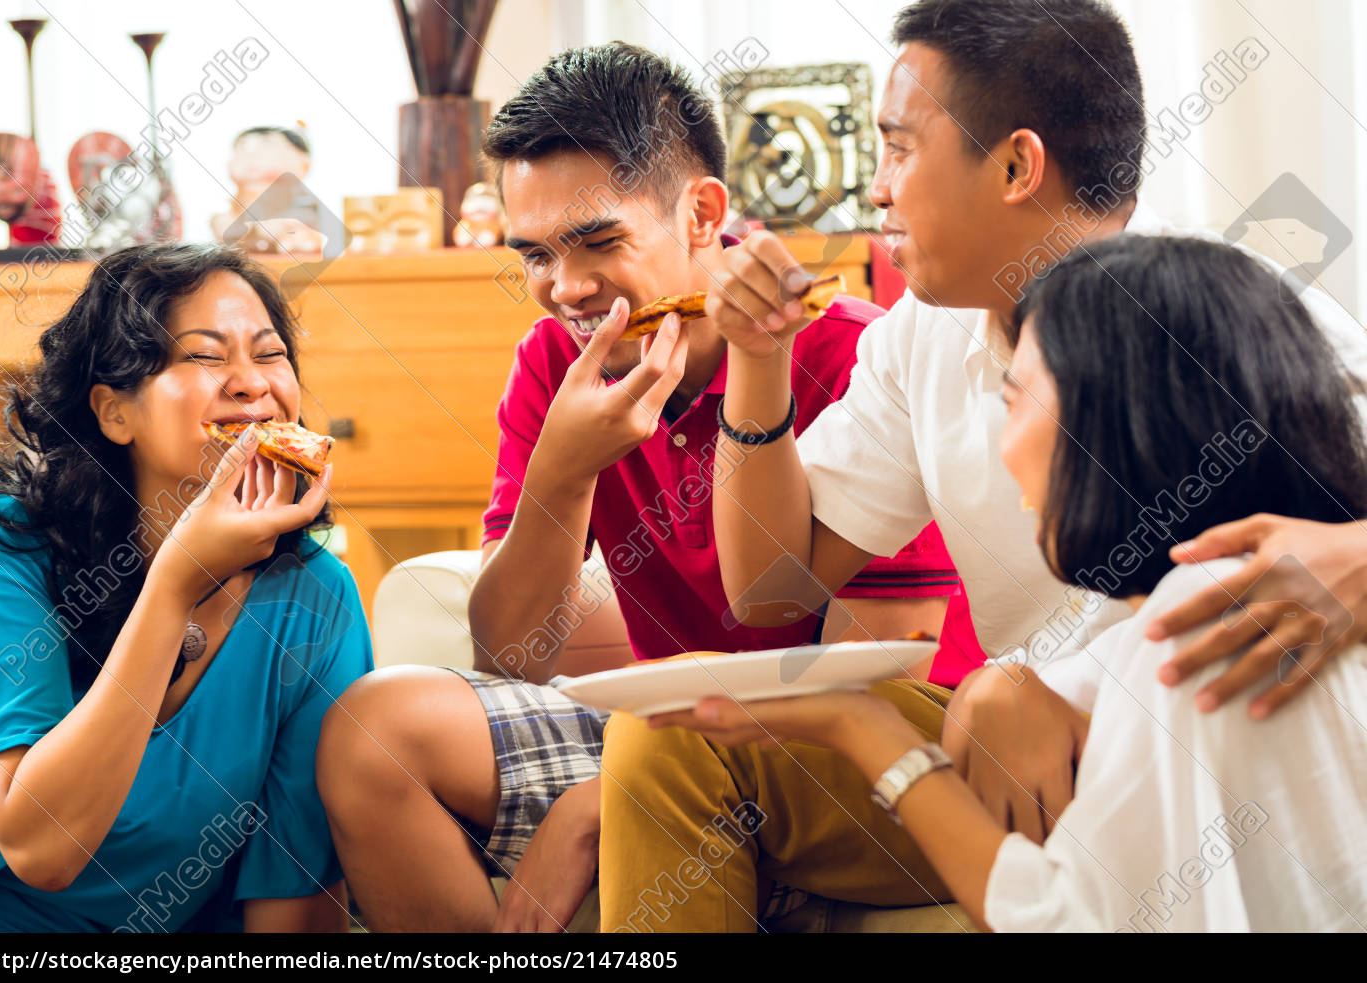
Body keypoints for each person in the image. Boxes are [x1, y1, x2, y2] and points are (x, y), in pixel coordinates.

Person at [599, 0, 1367, 931]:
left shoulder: (1243, 317)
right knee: (673, 737)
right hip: (1005, 737)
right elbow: (767, 589)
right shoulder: (927, 332)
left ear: (1015, 165)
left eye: (898, 148)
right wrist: (757, 362)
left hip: (1180, 717)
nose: (876, 190)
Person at [315, 42, 979, 933]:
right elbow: (512, 656)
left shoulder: (849, 354)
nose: (567, 287)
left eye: (598, 241)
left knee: (660, 752)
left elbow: (873, 671)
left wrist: (603, 794)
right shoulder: (557, 361)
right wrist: (562, 468)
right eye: (537, 255)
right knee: (372, 728)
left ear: (703, 212)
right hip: (667, 720)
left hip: (858, 743)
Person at [648, 234, 1367, 931]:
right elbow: (771, 584)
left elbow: (1067, 917)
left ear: (1117, 422)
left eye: (1016, 399)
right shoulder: (1172, 619)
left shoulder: (1210, 622)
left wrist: (862, 725)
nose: (1000, 443)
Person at [0, 244, 371, 932]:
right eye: (206, 356)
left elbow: (293, 892)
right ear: (114, 412)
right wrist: (176, 582)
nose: (251, 384)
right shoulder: (8, 542)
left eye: (270, 355)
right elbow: (39, 846)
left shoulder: (314, 595)